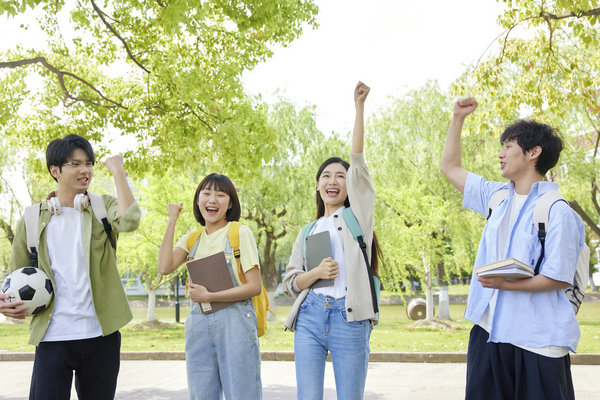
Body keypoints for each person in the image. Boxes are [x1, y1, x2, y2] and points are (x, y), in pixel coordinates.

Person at [440, 98, 585, 399]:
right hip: (488, 331)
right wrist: (457, 119)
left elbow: (558, 277)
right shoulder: (496, 196)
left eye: (508, 146)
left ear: (534, 153)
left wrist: (505, 284)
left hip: (537, 340)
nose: (500, 154)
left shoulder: (556, 210)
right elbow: (450, 167)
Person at [0, 134, 141, 399]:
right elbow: (14, 273)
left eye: (88, 163)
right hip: (53, 335)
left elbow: (130, 220)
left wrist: (118, 171)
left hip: (101, 335)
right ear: (56, 170)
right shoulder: (31, 218)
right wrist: (4, 300)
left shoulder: (103, 207)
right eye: (75, 164)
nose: (85, 170)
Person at [282, 81, 382, 400]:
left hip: (349, 318)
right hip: (310, 316)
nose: (333, 180)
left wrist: (359, 107)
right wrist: (315, 275)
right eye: (326, 176)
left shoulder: (359, 217)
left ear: (350, 185)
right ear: (317, 187)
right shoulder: (308, 230)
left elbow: (358, 158)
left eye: (340, 175)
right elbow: (290, 283)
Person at [158, 173, 263, 400]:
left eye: (220, 194)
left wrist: (210, 295)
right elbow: (164, 266)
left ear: (230, 203)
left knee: (242, 394)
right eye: (206, 193)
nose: (212, 199)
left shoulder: (239, 232)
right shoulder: (191, 239)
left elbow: (254, 286)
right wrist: (172, 221)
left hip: (235, 323)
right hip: (199, 324)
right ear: (198, 201)